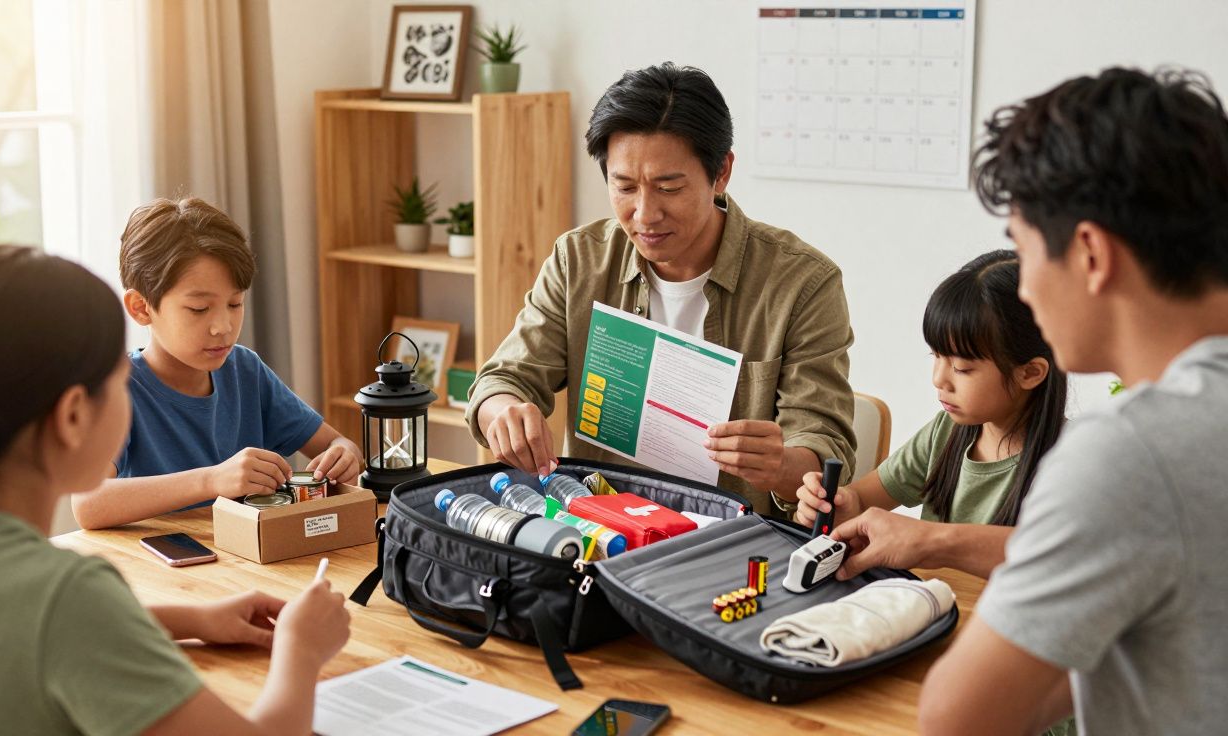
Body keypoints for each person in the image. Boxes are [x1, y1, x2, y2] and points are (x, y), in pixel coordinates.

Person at [0, 246, 351, 735]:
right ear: (74, 415)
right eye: (121, 381)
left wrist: (186, 619)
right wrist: (302, 650)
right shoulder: (69, 594)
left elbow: (21, 625)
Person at [917, 67, 1228, 734]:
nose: (1024, 290)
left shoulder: (1131, 451)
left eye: (1024, 254)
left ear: (1089, 253)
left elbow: (955, 719)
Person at [467, 63, 856, 514]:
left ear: (722, 172)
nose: (645, 213)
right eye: (625, 187)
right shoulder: (580, 261)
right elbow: (503, 379)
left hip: (731, 546)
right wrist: (504, 412)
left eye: (668, 187)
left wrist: (781, 466)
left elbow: (823, 446)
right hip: (602, 536)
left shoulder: (802, 283)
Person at [71, 198, 363, 529]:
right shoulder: (118, 389)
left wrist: (345, 454)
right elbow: (86, 503)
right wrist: (211, 481)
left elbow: (336, 443)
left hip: (247, 565)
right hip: (162, 573)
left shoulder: (245, 371)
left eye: (235, 303)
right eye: (199, 309)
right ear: (141, 307)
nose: (223, 326)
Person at [794, 250, 1066, 584]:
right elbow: (863, 498)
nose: (939, 379)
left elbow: (1059, 559)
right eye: (936, 356)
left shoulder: (1070, 461)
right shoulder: (945, 431)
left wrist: (925, 538)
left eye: (962, 368)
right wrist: (842, 503)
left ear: (1030, 373)